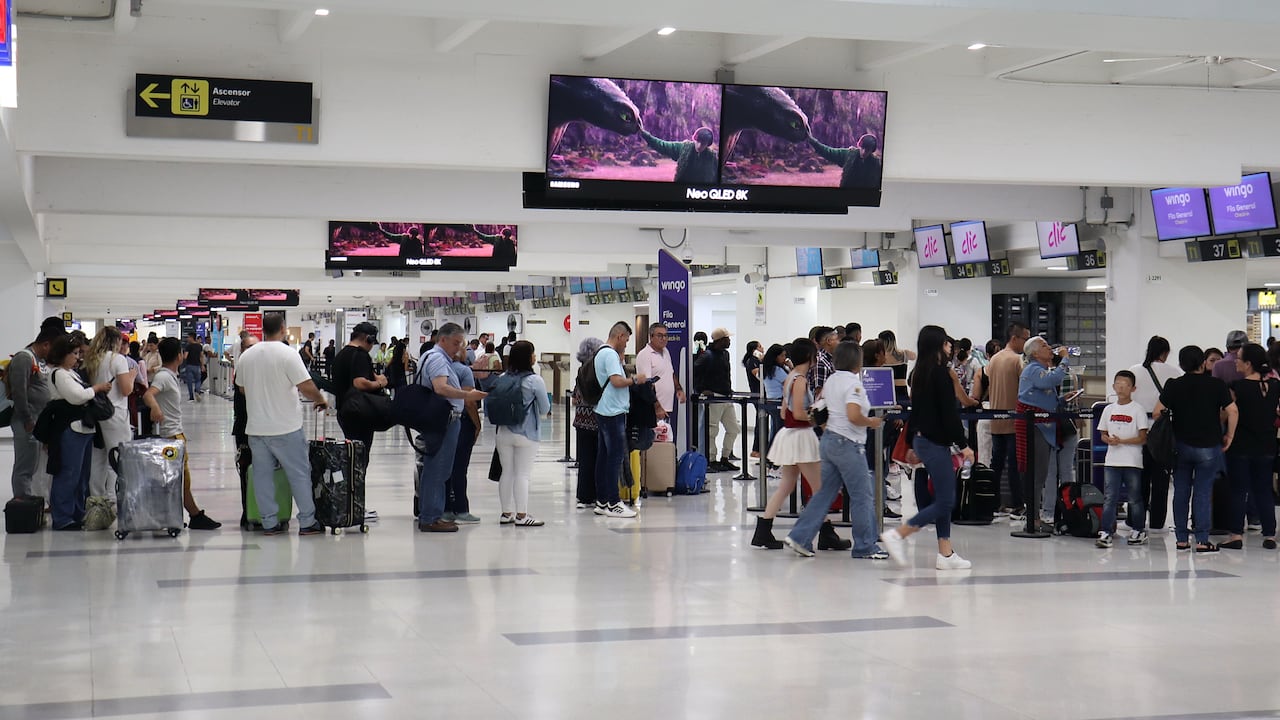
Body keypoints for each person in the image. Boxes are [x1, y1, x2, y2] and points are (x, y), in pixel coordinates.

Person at [879, 325, 975, 570]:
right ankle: (898, 534)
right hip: (934, 442)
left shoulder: (920, 372)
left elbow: (917, 411)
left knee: (943, 497)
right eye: (945, 343)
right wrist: (964, 446)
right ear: (937, 345)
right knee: (945, 501)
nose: (949, 346)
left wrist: (911, 441)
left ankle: (945, 552)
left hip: (924, 439)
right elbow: (948, 414)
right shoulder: (940, 373)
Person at [784, 341, 888, 559]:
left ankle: (800, 537)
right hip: (849, 444)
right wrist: (871, 422)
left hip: (829, 441)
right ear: (856, 361)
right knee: (862, 495)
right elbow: (853, 415)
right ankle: (866, 545)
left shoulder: (831, 380)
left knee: (823, 494)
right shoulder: (854, 385)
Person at [234, 313, 330, 536]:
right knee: (298, 474)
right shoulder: (288, 354)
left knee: (262, 476)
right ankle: (307, 522)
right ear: (283, 328)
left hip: (257, 429)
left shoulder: (247, 357)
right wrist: (320, 399)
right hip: (286, 427)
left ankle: (269, 523)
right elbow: (305, 385)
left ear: (262, 329)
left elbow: (241, 388)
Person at [751, 339, 847, 551]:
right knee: (819, 488)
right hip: (801, 436)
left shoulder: (790, 377)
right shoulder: (800, 380)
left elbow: (785, 411)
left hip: (791, 436)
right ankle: (825, 533)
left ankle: (763, 530)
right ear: (810, 356)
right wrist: (819, 418)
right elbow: (796, 413)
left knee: (786, 485)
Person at [1153, 345, 1238, 553]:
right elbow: (1233, 410)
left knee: (1181, 491)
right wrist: (1229, 435)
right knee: (1202, 493)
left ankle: (1181, 539)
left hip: (1181, 446)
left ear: (1181, 365)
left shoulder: (1174, 385)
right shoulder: (1216, 385)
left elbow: (1157, 413)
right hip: (1209, 446)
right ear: (1203, 363)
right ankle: (1201, 540)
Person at [142, 338, 221, 530]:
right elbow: (148, 394)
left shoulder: (169, 375)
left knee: (178, 479)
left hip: (175, 434)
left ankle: (181, 515)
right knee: (180, 479)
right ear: (179, 356)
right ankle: (194, 515)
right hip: (170, 437)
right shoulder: (164, 377)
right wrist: (155, 408)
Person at [415, 322, 488, 532]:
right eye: (455, 343)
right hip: (443, 420)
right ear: (443, 339)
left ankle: (431, 513)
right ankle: (431, 516)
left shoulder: (434, 357)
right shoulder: (438, 358)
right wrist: (468, 395)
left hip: (441, 419)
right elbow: (440, 388)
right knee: (437, 469)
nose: (458, 348)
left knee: (437, 468)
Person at [46, 335, 114, 530]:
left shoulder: (70, 373)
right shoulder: (58, 374)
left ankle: (76, 513)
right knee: (68, 473)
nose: (77, 358)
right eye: (74, 354)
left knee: (82, 476)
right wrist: (97, 388)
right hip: (69, 429)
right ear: (62, 354)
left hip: (83, 429)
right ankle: (62, 517)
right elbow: (77, 396)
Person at [1223, 343, 1278, 550]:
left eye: (1238, 358)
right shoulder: (1275, 386)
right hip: (1267, 445)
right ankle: (1270, 534)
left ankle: (1235, 534)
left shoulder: (1236, 386)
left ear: (1248, 364)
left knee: (1238, 490)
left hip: (1241, 445)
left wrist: (1229, 436)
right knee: (1264, 489)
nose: (1235, 361)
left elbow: (1231, 414)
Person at [1017, 336, 1074, 529]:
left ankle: (1035, 517)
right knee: (1037, 475)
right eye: (1044, 345)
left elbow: (1044, 397)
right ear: (1034, 353)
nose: (1050, 348)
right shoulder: (1033, 369)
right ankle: (1033, 519)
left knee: (1040, 474)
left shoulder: (1041, 371)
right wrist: (1065, 359)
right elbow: (1054, 378)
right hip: (1036, 427)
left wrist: (1062, 400)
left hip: (1043, 424)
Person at [493, 340, 551, 526]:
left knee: (507, 472)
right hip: (527, 433)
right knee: (522, 474)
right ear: (528, 357)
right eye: (533, 353)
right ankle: (522, 515)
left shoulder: (502, 377)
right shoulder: (535, 380)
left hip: (503, 432)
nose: (535, 356)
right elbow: (544, 408)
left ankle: (505, 513)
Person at [1128, 336, 1182, 532]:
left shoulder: (1134, 371)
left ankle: (1136, 521)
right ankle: (1158, 522)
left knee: (1138, 478)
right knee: (1160, 479)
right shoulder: (1175, 372)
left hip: (1138, 430)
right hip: (1163, 431)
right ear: (1165, 353)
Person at [594, 321, 644, 519]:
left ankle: (602, 501)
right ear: (620, 336)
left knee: (604, 457)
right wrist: (635, 380)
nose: (626, 343)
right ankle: (614, 503)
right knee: (614, 457)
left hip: (603, 409)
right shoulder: (610, 354)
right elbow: (616, 381)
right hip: (613, 412)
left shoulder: (601, 352)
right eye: (627, 339)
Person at [9, 319, 63, 499]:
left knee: (32, 465)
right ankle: (21, 502)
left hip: (36, 421)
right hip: (27, 421)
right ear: (46, 344)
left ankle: (27, 500)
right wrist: (27, 419)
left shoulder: (36, 359)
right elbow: (19, 392)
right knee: (25, 466)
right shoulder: (24, 358)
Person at [1095, 370, 1149, 548]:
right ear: (1113, 386)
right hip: (1112, 461)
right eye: (1118, 383)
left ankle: (1139, 529)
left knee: (1134, 498)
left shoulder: (1137, 409)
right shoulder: (1109, 409)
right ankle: (1106, 531)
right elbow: (1103, 433)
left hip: (1132, 462)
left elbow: (1143, 438)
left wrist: (1122, 441)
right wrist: (1108, 440)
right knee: (1110, 498)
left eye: (1125, 384)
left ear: (1133, 388)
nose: (1121, 387)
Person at [84, 326, 137, 501]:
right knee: (117, 456)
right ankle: (115, 497)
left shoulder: (92, 359)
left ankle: (97, 499)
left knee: (98, 458)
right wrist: (131, 375)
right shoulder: (118, 359)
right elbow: (126, 390)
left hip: (96, 413)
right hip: (115, 414)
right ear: (116, 342)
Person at [987, 322, 1030, 517]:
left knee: (996, 464)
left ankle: (994, 503)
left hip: (996, 421)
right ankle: (1018, 503)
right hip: (1014, 421)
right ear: (1015, 338)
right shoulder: (1017, 360)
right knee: (1014, 465)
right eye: (1025, 339)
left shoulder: (994, 359)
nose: (1026, 344)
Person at [445, 338, 482, 524]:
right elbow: (468, 401)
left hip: (442, 420)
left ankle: (444, 508)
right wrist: (477, 424)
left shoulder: (439, 366)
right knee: (460, 467)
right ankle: (461, 509)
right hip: (462, 422)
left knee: (444, 467)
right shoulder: (463, 370)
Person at [693, 328, 740, 471]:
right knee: (712, 430)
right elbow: (694, 372)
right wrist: (701, 390)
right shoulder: (706, 355)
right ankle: (711, 459)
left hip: (726, 396)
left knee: (733, 429)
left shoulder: (725, 354)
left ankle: (725, 457)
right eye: (727, 338)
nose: (730, 341)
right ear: (720, 340)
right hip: (713, 397)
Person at [635, 322, 685, 437]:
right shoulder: (645, 355)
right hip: (653, 409)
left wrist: (679, 389)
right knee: (653, 445)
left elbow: (671, 373)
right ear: (651, 336)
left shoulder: (666, 352)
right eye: (660, 335)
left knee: (665, 441)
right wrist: (657, 407)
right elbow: (646, 385)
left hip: (667, 408)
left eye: (666, 336)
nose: (663, 339)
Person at [573, 338, 605, 510]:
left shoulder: (580, 369)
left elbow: (576, 397)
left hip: (581, 419)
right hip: (596, 418)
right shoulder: (596, 370)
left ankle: (584, 496)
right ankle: (599, 494)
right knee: (599, 458)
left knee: (585, 459)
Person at [639, 126, 718, 183]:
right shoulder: (684, 148)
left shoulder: (712, 157)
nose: (699, 145)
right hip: (681, 192)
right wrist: (643, 133)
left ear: (708, 144)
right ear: (694, 139)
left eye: (703, 143)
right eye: (698, 141)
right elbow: (661, 145)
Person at [807, 132, 883, 188]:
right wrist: (811, 140)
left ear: (872, 150)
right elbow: (828, 152)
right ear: (860, 146)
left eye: (867, 150)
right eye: (863, 148)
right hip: (846, 197)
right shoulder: (849, 155)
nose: (864, 152)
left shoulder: (876, 164)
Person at [759, 344, 788, 449]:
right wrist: (791, 367)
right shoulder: (778, 370)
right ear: (776, 356)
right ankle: (772, 456)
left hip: (770, 401)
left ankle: (769, 456)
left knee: (775, 430)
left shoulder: (765, 370)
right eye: (782, 356)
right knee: (779, 431)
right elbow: (788, 383)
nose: (784, 358)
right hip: (779, 402)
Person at [807, 327, 838, 397]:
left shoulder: (829, 359)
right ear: (829, 341)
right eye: (837, 339)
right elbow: (819, 392)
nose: (839, 342)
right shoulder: (820, 362)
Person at [181, 332, 205, 401]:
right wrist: (202, 365)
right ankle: (197, 391)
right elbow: (201, 356)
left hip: (189, 366)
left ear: (192, 337)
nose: (187, 339)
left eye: (188, 337)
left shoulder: (188, 346)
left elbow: (185, 356)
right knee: (198, 380)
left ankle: (191, 397)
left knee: (189, 382)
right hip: (197, 366)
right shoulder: (199, 346)